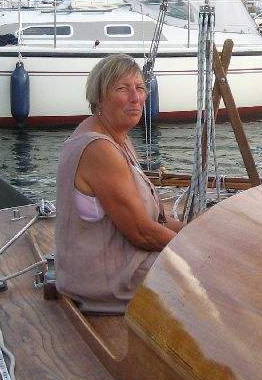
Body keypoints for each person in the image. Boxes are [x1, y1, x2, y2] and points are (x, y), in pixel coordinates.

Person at [55, 54, 183, 313]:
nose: (136, 98)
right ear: (99, 98)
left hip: (118, 264)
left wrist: (198, 234)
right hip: (107, 280)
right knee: (214, 280)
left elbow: (156, 222)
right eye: (123, 89)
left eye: (140, 88)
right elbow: (142, 233)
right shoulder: (99, 148)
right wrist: (195, 251)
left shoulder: (117, 139)